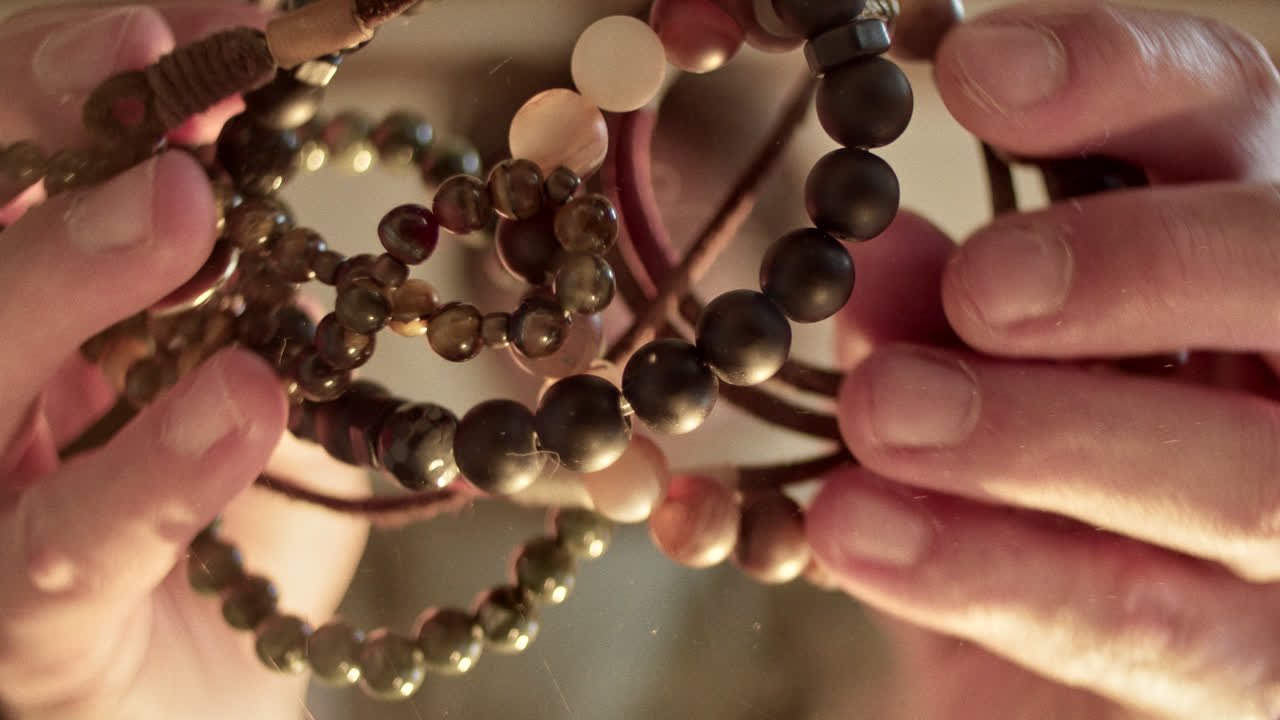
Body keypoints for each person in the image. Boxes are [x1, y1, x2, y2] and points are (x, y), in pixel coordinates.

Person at [0, 1, 1277, 718]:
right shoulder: (331, 533)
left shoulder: (874, 626)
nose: (593, 301)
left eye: (636, 222)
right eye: (540, 269)